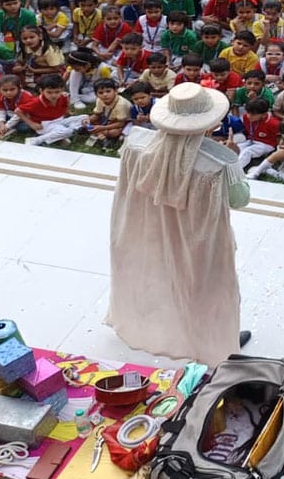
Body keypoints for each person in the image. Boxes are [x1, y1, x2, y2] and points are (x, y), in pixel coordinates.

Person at [108, 82, 252, 363]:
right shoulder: (221, 161)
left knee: (152, 273)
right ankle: (214, 342)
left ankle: (150, 327)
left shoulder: (136, 143)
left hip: (147, 225)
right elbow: (240, 199)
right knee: (205, 286)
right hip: (196, 236)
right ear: (210, 123)